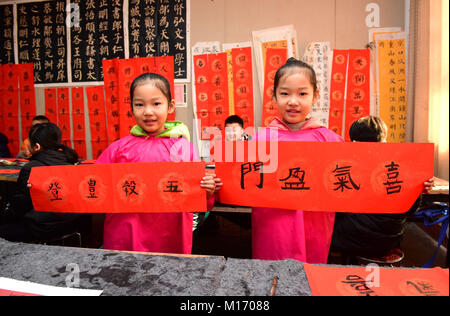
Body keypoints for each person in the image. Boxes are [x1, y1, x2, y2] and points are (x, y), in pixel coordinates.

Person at [96, 72, 218, 254]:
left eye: (156, 103)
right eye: (139, 104)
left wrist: (207, 191)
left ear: (170, 106)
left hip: (169, 235)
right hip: (125, 235)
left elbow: (199, 200)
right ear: (131, 108)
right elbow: (92, 187)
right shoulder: (117, 149)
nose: (148, 111)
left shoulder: (185, 149)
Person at [252, 58, 344, 264]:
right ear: (274, 96)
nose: (293, 101)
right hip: (272, 225)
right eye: (285, 93)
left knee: (309, 277)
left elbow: (356, 177)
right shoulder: (261, 139)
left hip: (314, 226)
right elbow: (242, 180)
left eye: (302, 94)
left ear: (315, 96)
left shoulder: (329, 139)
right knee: (270, 275)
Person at [330, 116, 434, 261]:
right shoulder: (400, 168)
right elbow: (410, 210)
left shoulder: (348, 168)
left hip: (350, 240)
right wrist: (419, 190)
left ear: (354, 143)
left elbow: (337, 209)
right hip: (389, 241)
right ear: (384, 142)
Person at [0, 123, 84, 242]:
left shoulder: (32, 168)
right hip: (69, 224)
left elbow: (20, 206)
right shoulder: (70, 163)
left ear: (37, 147)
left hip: (41, 228)